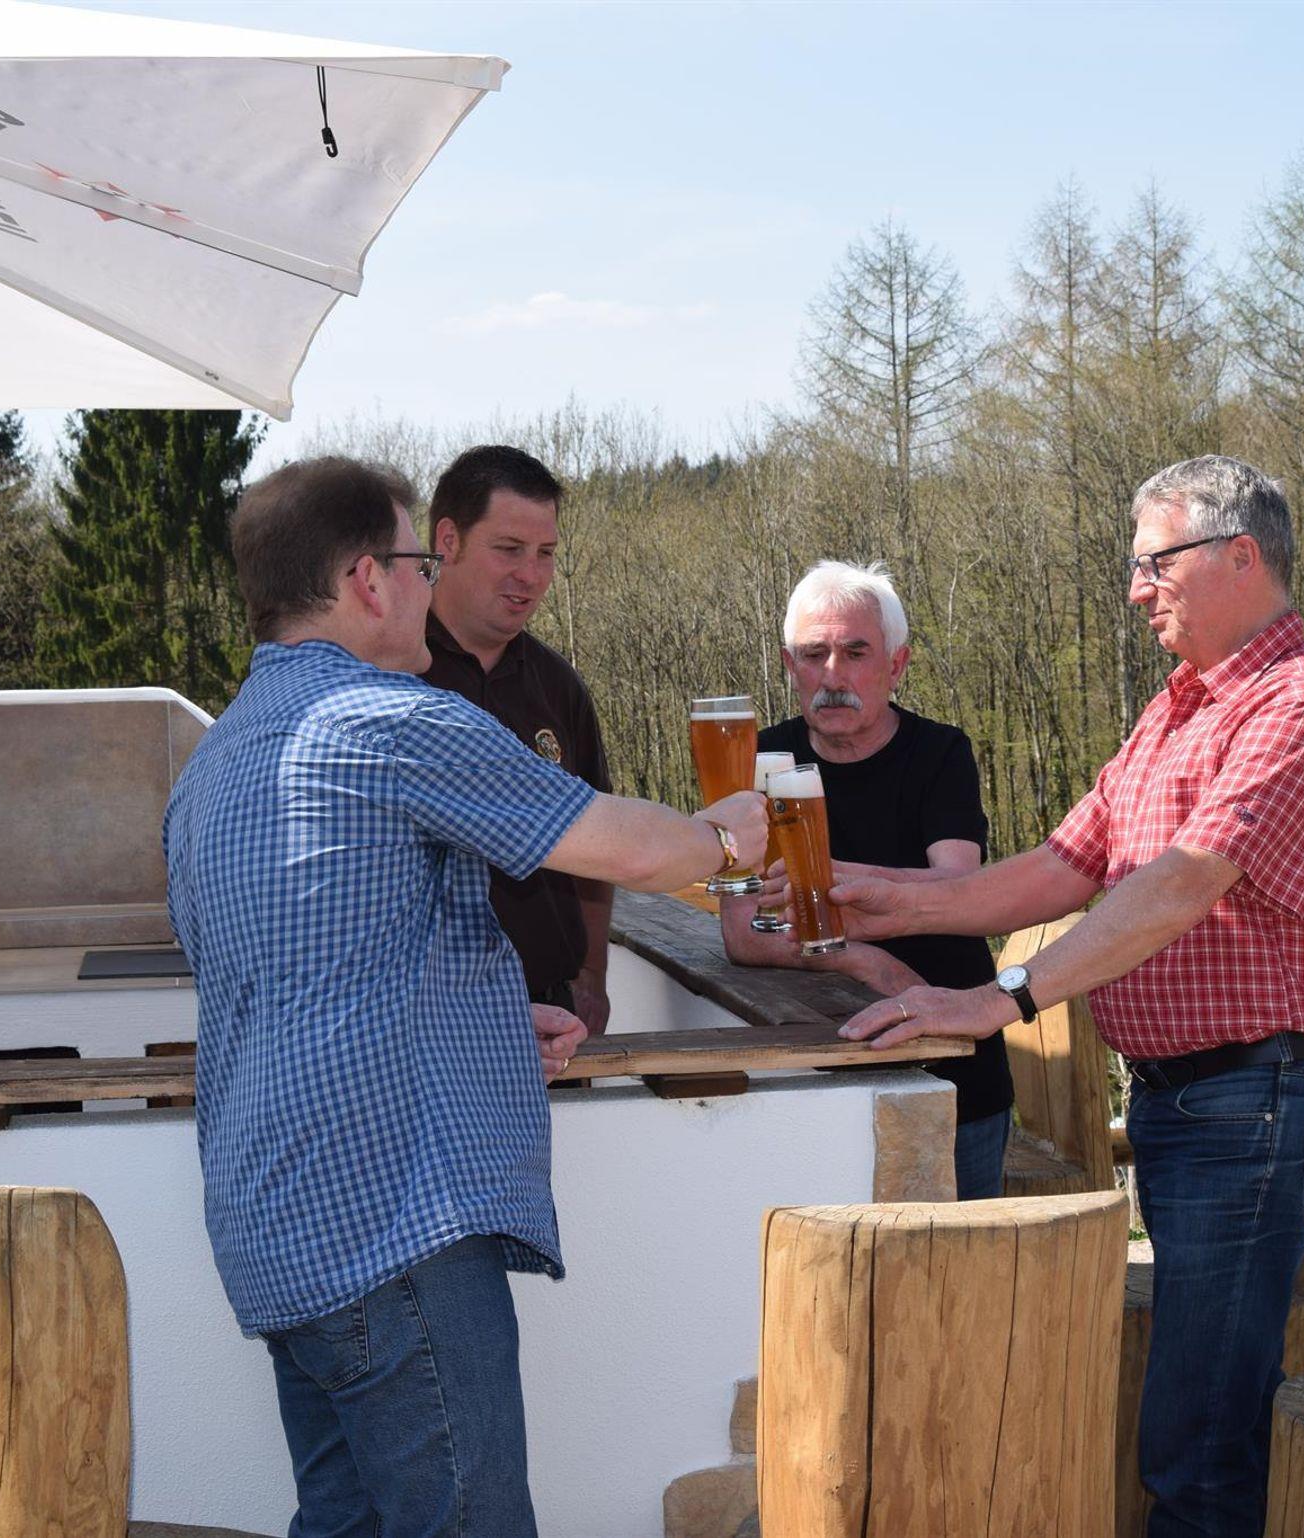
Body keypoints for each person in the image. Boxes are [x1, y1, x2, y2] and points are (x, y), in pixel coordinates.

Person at [163, 456, 767, 1538]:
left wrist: (480, 1023)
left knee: (343, 1526)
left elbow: (308, 971)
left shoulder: (215, 761)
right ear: (367, 578)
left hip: (276, 1228)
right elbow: (620, 845)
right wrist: (723, 838)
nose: (428, 580)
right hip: (391, 1227)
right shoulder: (389, 721)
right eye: (418, 560)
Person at [829, 456, 1304, 1537]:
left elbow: (1182, 882)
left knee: (1200, 1433)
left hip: (1260, 1094)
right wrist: (873, 898)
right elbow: (1061, 866)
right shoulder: (1175, 710)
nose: (1137, 590)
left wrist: (1000, 996)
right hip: (1198, 1101)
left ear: (1239, 555)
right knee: (1197, 1412)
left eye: (1154, 563)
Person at [720, 560, 1016, 1199]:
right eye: (814, 654)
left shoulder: (940, 753)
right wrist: (866, 961)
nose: (833, 676)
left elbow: (958, 890)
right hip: (813, 1071)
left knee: (963, 1255)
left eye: (855, 653)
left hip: (950, 1062)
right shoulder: (756, 759)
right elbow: (743, 933)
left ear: (896, 664)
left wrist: (830, 893)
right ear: (789, 664)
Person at [422, 444, 615, 1032]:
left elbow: (599, 845)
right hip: (425, 1019)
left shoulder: (559, 687)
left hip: (553, 1013)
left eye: (545, 553)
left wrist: (592, 975)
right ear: (448, 540)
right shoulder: (387, 676)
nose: (530, 575)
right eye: (509, 549)